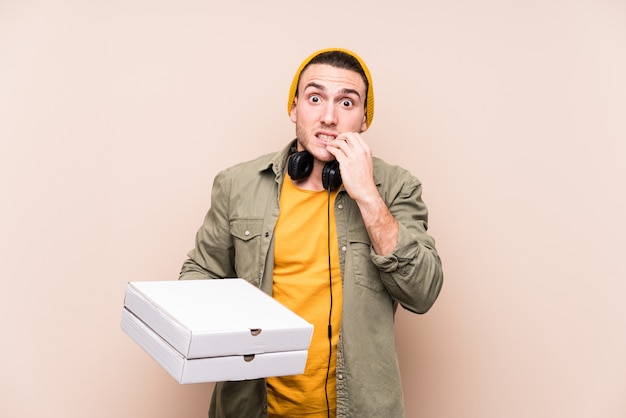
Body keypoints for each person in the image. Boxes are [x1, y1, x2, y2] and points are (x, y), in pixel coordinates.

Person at [179, 47, 443, 418]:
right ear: (294, 109)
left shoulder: (396, 188)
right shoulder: (236, 184)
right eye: (315, 98)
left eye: (347, 103)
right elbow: (202, 272)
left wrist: (367, 196)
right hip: (253, 408)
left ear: (363, 121)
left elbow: (423, 291)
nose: (329, 116)